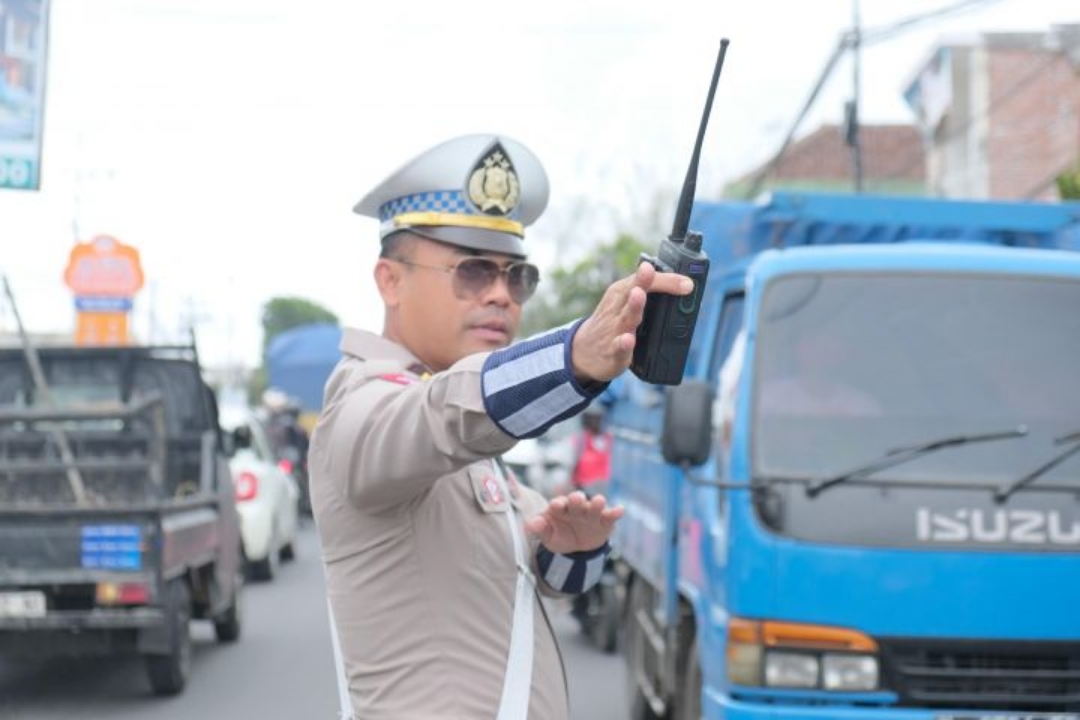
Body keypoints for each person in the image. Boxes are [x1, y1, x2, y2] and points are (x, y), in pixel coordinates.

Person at [308, 133, 693, 720]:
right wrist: (573, 357)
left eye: (517, 277)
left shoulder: (473, 441)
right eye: (473, 272)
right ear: (390, 280)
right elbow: (441, 415)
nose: (501, 296)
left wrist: (575, 549)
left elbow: (540, 582)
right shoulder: (363, 406)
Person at [569, 405, 612, 500]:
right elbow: (574, 458)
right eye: (591, 419)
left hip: (600, 482)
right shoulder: (581, 437)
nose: (594, 422)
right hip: (582, 482)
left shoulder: (607, 437)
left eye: (597, 419)